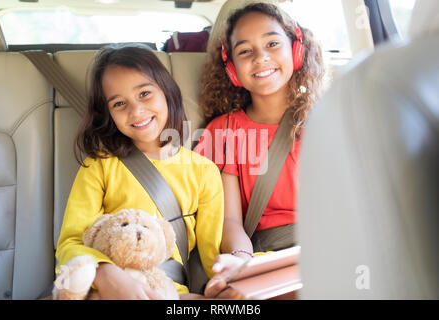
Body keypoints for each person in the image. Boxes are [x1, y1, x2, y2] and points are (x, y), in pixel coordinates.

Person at [55, 45, 224, 299]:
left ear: (167, 93)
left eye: (144, 93)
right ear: (108, 114)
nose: (136, 111)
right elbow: (70, 243)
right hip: (104, 288)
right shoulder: (98, 166)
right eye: (119, 103)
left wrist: (238, 274)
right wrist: (104, 273)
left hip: (167, 291)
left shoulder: (204, 171)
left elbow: (215, 257)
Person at [194, 3, 325, 298]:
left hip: (323, 249)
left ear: (297, 50)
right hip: (262, 257)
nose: (260, 57)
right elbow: (229, 220)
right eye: (245, 51)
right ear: (231, 67)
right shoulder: (223, 131)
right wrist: (242, 260)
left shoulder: (327, 121)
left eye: (272, 43)